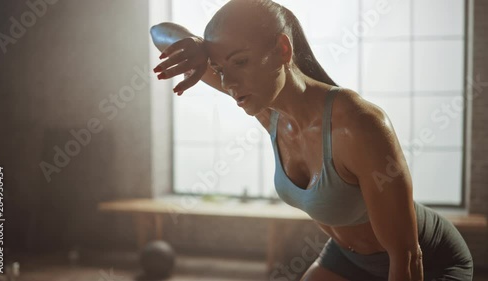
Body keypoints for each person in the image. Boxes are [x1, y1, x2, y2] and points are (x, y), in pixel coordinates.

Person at [150, 0, 473, 280]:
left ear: (282, 49)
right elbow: (159, 32)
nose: (228, 82)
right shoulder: (265, 106)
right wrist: (194, 44)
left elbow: (406, 255)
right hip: (348, 257)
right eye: (219, 69)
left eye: (240, 62)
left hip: (428, 261)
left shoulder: (357, 125)